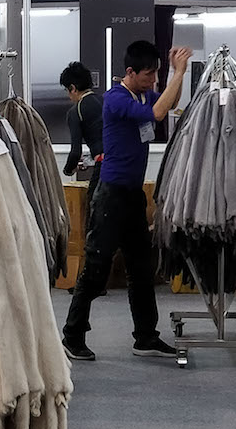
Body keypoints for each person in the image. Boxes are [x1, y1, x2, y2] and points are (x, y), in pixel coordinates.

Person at [61, 41, 192, 361]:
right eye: (148, 75)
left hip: (133, 195)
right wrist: (180, 71)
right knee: (95, 267)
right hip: (110, 195)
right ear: (130, 72)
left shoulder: (143, 94)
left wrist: (177, 78)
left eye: (155, 75)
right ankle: (72, 335)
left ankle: (145, 336)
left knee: (142, 268)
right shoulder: (115, 98)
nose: (152, 81)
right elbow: (160, 112)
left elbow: (167, 104)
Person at [60, 61, 104, 200]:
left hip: (105, 165)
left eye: (67, 90)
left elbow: (75, 152)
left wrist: (68, 170)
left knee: (93, 209)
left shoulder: (75, 112)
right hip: (124, 161)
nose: (69, 96)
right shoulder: (105, 100)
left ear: (73, 88)